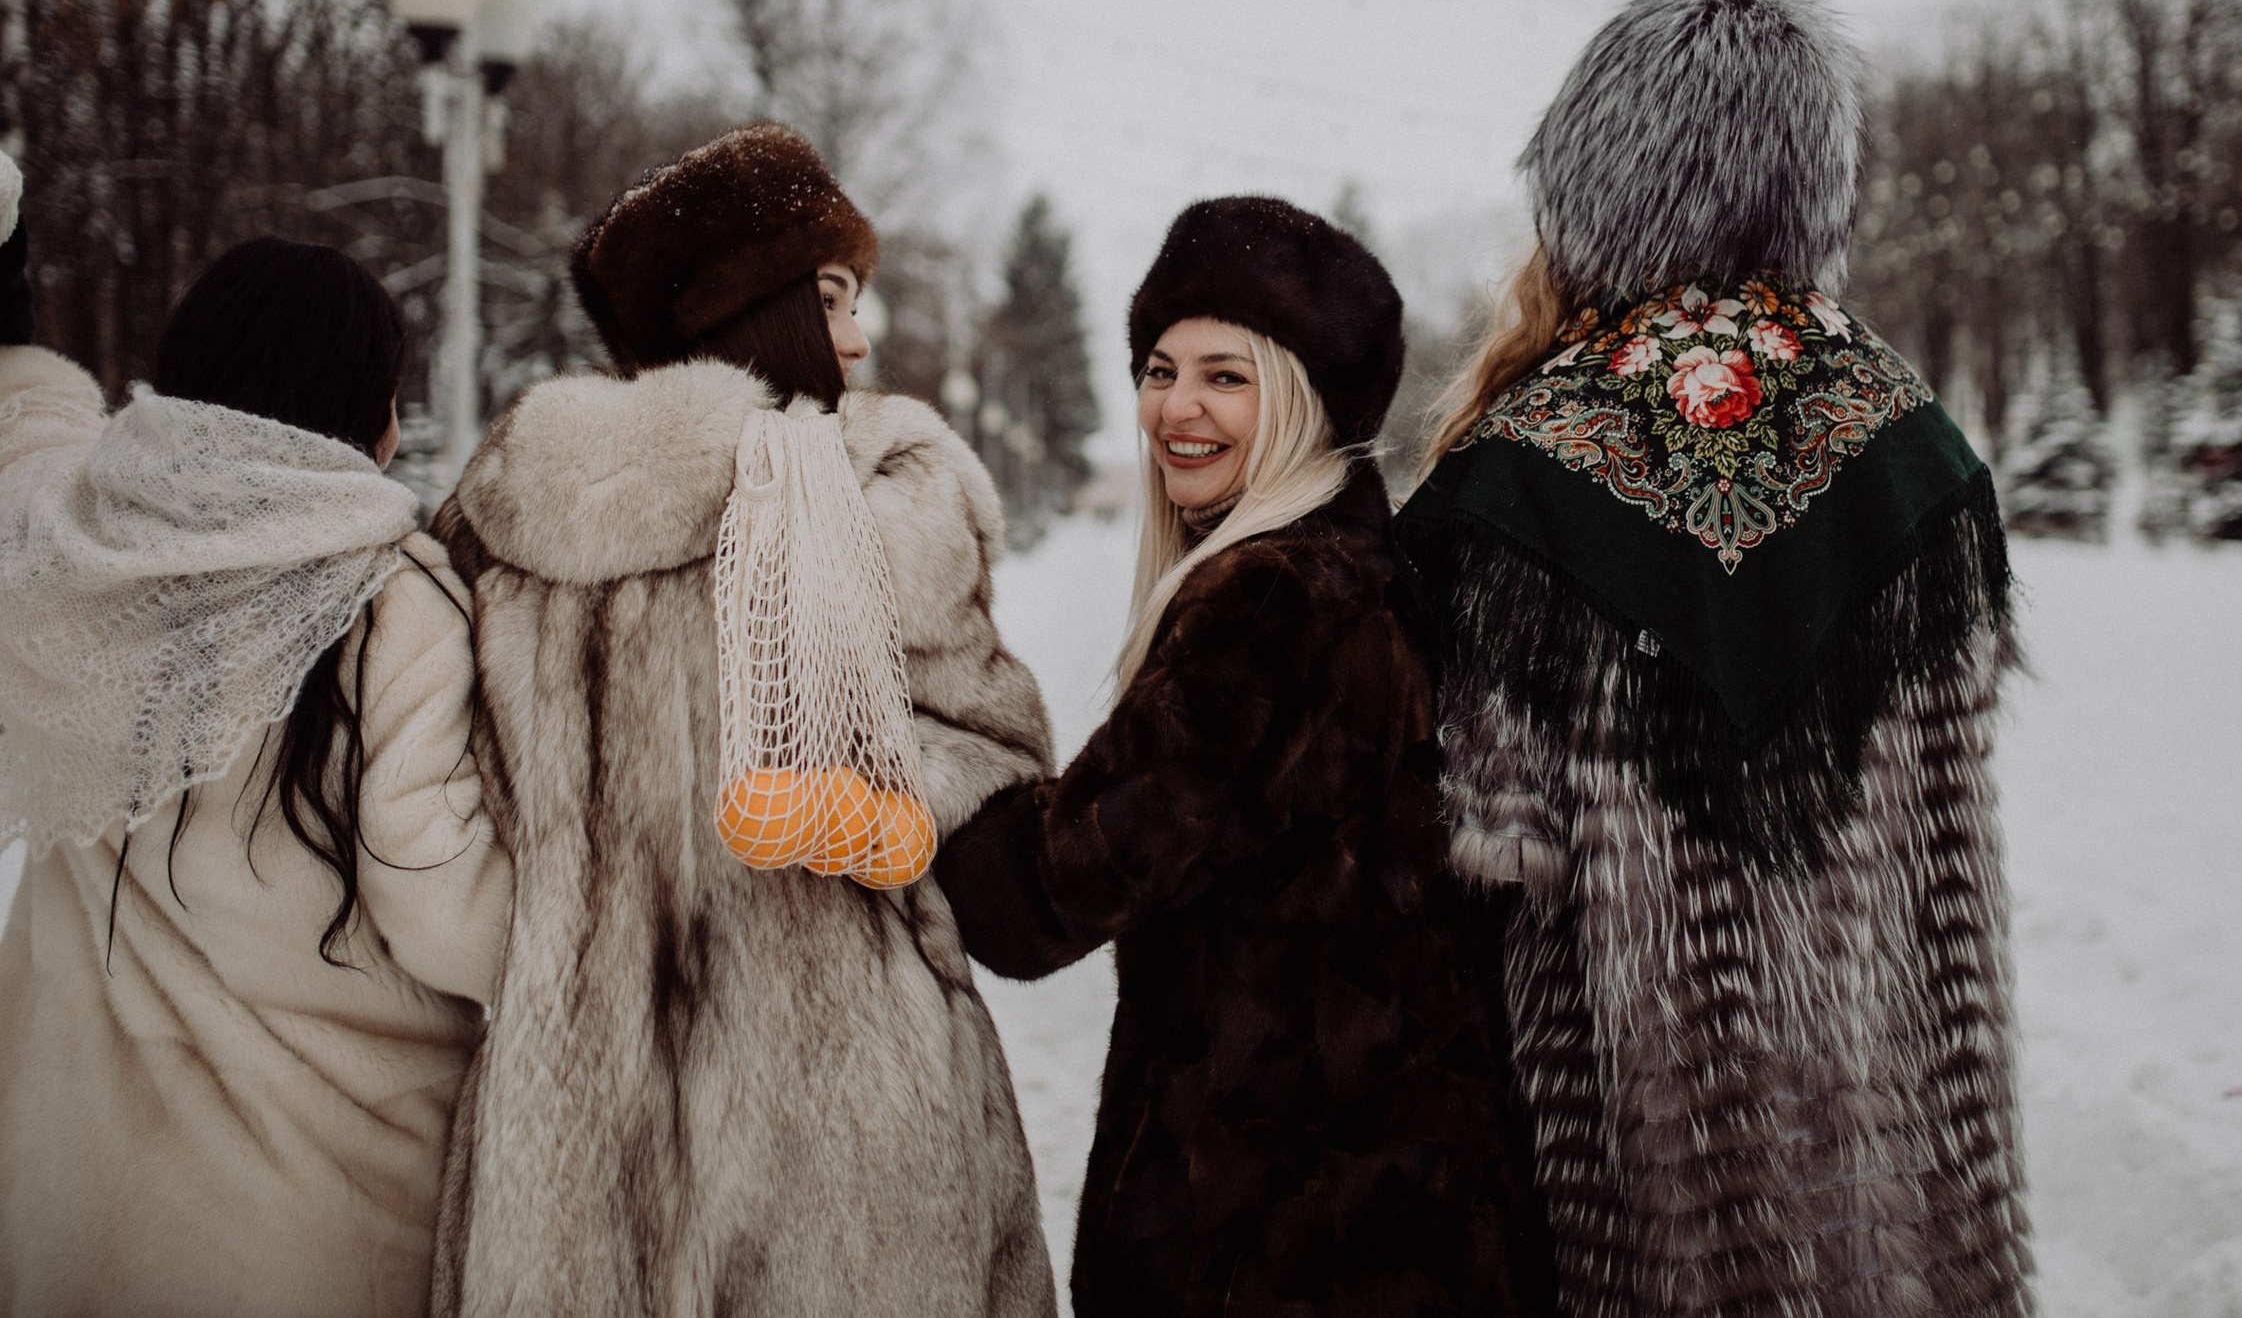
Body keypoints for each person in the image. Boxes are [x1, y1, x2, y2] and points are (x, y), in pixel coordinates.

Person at [1395, 0, 2033, 1316]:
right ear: (1813, 182)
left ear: (1594, 180)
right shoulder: (1911, 440)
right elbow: (1949, 787)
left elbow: (1479, 833)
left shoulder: (1525, 460)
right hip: (1887, 1120)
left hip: (1629, 1163)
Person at [426, 123, 1056, 1317]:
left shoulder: (512, 525)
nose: (860, 338)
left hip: (577, 1160)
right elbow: (1000, 779)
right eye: (831, 297)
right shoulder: (882, 508)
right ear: (749, 310)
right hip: (849, 1154)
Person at [934, 196, 1554, 1318]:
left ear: (1306, 402)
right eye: (1161, 368)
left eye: (1227, 374)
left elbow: (1043, 898)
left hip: (1292, 1247)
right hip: (1400, 1226)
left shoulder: (1276, 605)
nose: (1177, 406)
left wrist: (925, 768)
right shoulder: (1361, 574)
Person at [0, 213, 512, 1315]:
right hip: (309, 1211)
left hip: (65, 1191)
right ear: (354, 409)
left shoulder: (67, 546)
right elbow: (447, 912)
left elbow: (19, 431)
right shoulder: (390, 602)